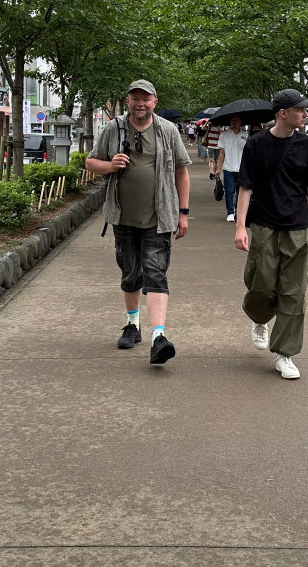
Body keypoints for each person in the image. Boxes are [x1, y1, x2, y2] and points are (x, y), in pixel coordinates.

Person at [86, 79, 191, 365]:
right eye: (135, 98)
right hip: (123, 218)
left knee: (156, 273)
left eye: (146, 99)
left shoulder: (168, 131)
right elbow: (91, 162)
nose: (140, 103)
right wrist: (110, 165)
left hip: (159, 218)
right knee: (131, 273)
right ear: (128, 101)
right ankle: (133, 325)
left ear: (154, 102)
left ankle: (159, 337)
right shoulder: (113, 128)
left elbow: (182, 172)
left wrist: (183, 212)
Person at [234, 88, 308, 380]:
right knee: (262, 285)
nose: (305, 114)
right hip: (264, 226)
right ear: (283, 113)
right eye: (300, 110)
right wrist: (240, 227)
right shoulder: (256, 144)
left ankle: (284, 353)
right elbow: (245, 187)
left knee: (293, 292)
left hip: (298, 227)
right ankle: (259, 317)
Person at [214, 115, 248, 224]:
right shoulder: (224, 135)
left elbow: (248, 154)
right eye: (232, 120)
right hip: (228, 168)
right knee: (229, 191)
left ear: (240, 122)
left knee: (240, 192)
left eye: (237, 120)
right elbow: (222, 154)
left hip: (241, 169)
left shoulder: (245, 136)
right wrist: (219, 168)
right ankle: (230, 212)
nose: (234, 122)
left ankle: (239, 211)